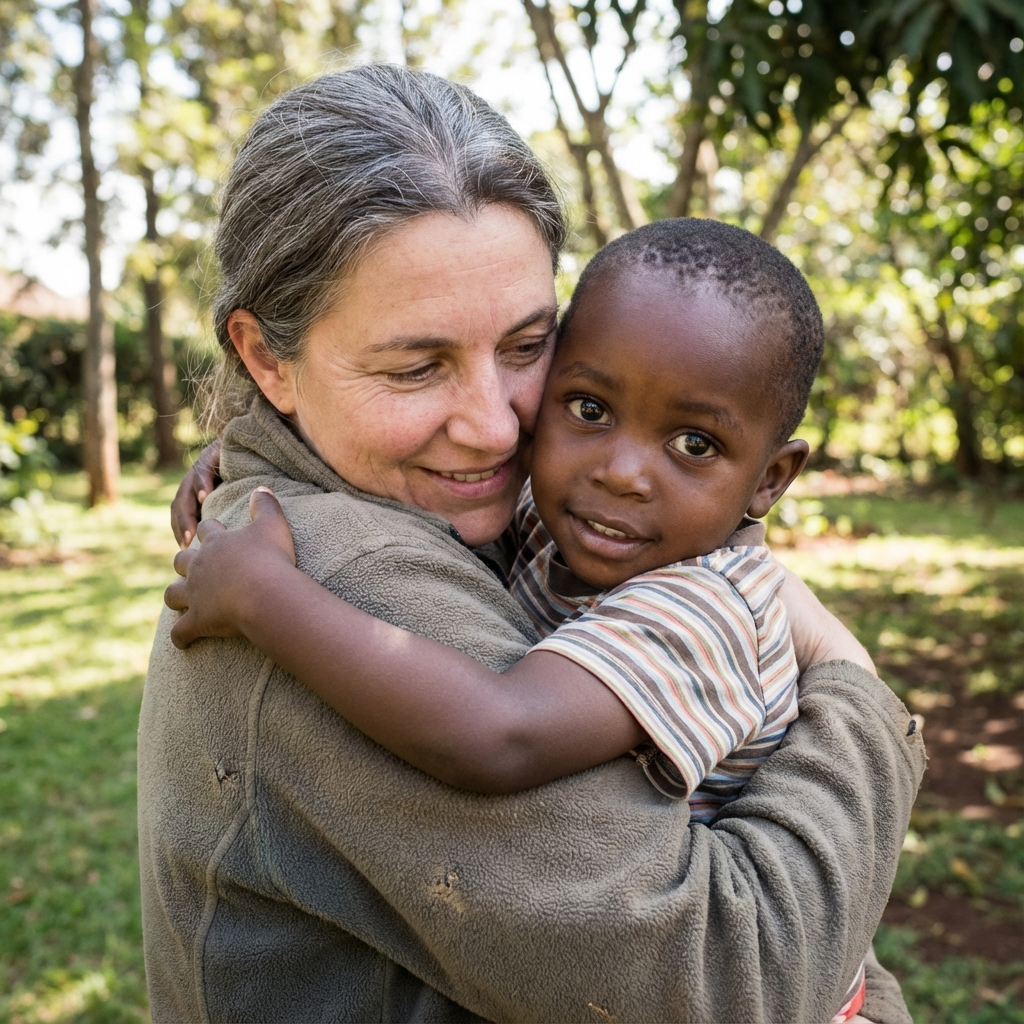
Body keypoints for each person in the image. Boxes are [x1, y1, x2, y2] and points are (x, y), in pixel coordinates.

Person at [144, 63, 924, 1024]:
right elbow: (731, 985)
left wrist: (844, 674)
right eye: (416, 366)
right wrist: (855, 688)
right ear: (268, 360)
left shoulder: (612, 559)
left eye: (525, 348)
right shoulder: (353, 571)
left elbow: (499, 729)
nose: (495, 428)